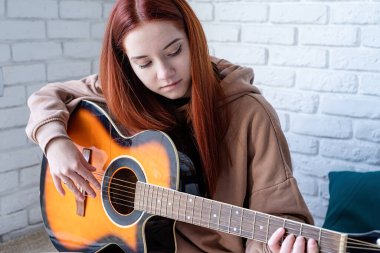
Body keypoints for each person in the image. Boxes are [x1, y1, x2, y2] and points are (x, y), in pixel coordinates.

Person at [25, 0, 318, 252]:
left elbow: (283, 216)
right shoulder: (124, 89)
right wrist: (55, 143)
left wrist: (275, 246)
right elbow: (48, 96)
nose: (164, 73)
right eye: (144, 63)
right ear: (126, 63)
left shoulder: (250, 113)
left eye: (174, 51)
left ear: (194, 39)